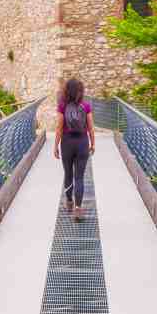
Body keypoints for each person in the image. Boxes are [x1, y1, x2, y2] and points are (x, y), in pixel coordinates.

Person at [54, 78, 96, 221]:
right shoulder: (86, 106)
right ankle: (78, 209)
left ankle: (69, 202)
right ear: (80, 91)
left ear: (66, 91)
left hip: (67, 142)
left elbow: (59, 128)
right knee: (79, 177)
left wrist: (55, 145)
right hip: (82, 142)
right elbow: (90, 127)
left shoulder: (62, 106)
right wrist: (93, 143)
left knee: (68, 174)